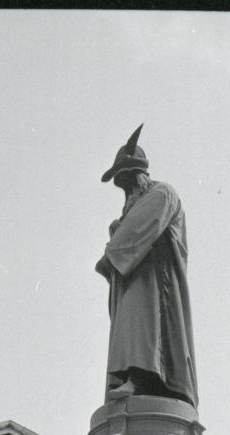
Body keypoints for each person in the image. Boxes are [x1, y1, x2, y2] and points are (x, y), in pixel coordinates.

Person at [95, 124, 198, 407]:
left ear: (139, 175)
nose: (126, 192)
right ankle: (133, 376)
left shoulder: (162, 193)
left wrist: (110, 253)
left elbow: (140, 228)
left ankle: (141, 376)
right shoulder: (138, 204)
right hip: (135, 276)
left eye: (128, 183)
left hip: (155, 280)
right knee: (132, 323)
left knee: (144, 321)